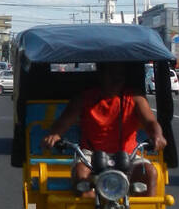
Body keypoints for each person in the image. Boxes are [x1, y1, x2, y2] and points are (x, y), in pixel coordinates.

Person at [44, 63, 166, 197]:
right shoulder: (84, 98)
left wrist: (157, 135)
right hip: (90, 154)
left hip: (128, 154)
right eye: (112, 74)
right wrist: (55, 135)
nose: (117, 79)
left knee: (149, 172)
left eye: (120, 75)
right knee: (80, 174)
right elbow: (64, 121)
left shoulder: (135, 98)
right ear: (100, 76)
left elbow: (150, 122)